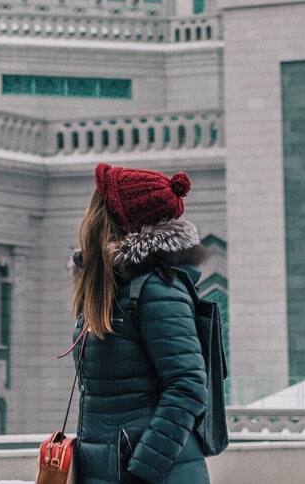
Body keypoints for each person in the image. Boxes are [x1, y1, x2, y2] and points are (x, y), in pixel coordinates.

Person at [68, 163, 210, 484]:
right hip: (109, 470)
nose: (87, 216)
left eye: (97, 205)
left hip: (152, 475)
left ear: (113, 218)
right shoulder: (110, 288)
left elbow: (187, 387)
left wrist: (142, 473)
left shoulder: (158, 288)